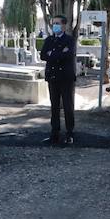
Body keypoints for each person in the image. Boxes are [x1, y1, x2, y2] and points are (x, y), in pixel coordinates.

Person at [40, 14, 78, 145]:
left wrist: (53, 54)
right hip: (53, 77)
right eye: (53, 23)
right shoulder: (49, 40)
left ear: (64, 25)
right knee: (54, 106)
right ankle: (54, 133)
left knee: (68, 106)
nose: (54, 26)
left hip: (66, 78)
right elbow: (43, 55)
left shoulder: (70, 40)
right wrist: (58, 54)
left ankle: (69, 133)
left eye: (57, 23)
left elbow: (68, 55)